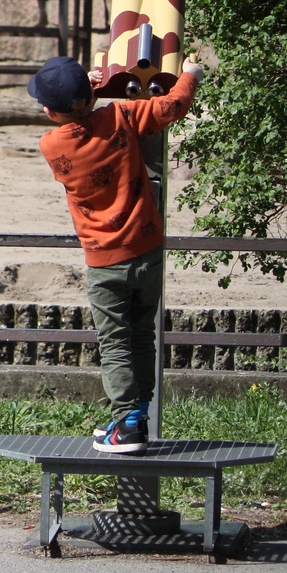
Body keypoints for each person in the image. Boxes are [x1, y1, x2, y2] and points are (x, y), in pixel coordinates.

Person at [29, 54, 203, 456]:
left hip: (104, 259)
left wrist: (87, 91)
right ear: (88, 96)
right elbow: (173, 106)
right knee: (143, 334)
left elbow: (77, 122)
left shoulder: (51, 144)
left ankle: (126, 424)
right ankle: (138, 412)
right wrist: (190, 73)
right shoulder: (122, 115)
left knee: (115, 344)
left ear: (52, 110)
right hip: (148, 248)